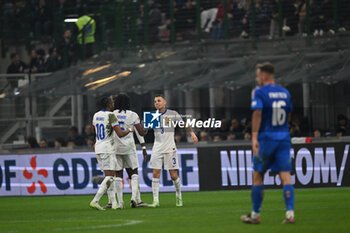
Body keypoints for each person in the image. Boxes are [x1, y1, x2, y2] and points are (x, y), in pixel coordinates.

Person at [241, 62, 294, 224]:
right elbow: (289, 114)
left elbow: (257, 113)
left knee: (258, 176)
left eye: (258, 75)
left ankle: (255, 215)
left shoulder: (259, 92)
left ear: (264, 76)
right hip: (283, 137)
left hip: (266, 139)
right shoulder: (285, 92)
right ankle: (290, 214)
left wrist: (254, 137)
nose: (257, 78)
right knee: (286, 176)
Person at [149, 94, 198, 207]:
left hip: (170, 147)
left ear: (164, 102)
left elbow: (183, 124)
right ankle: (155, 200)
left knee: (173, 175)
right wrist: (144, 126)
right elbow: (145, 132)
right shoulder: (152, 116)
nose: (157, 103)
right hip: (157, 148)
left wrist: (192, 133)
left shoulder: (172, 114)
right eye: (155, 101)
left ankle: (178, 195)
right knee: (155, 173)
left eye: (159, 101)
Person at [103, 94, 148, 209]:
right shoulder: (132, 115)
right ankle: (134, 198)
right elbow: (142, 132)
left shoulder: (111, 115)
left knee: (118, 174)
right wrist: (146, 127)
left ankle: (120, 202)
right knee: (134, 173)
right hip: (129, 147)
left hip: (115, 148)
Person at [89, 96, 133, 210]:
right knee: (110, 176)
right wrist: (129, 130)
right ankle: (95, 200)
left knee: (109, 177)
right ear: (109, 104)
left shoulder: (96, 115)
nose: (113, 103)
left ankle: (114, 203)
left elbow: (94, 130)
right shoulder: (111, 115)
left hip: (98, 147)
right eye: (112, 101)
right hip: (107, 148)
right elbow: (120, 134)